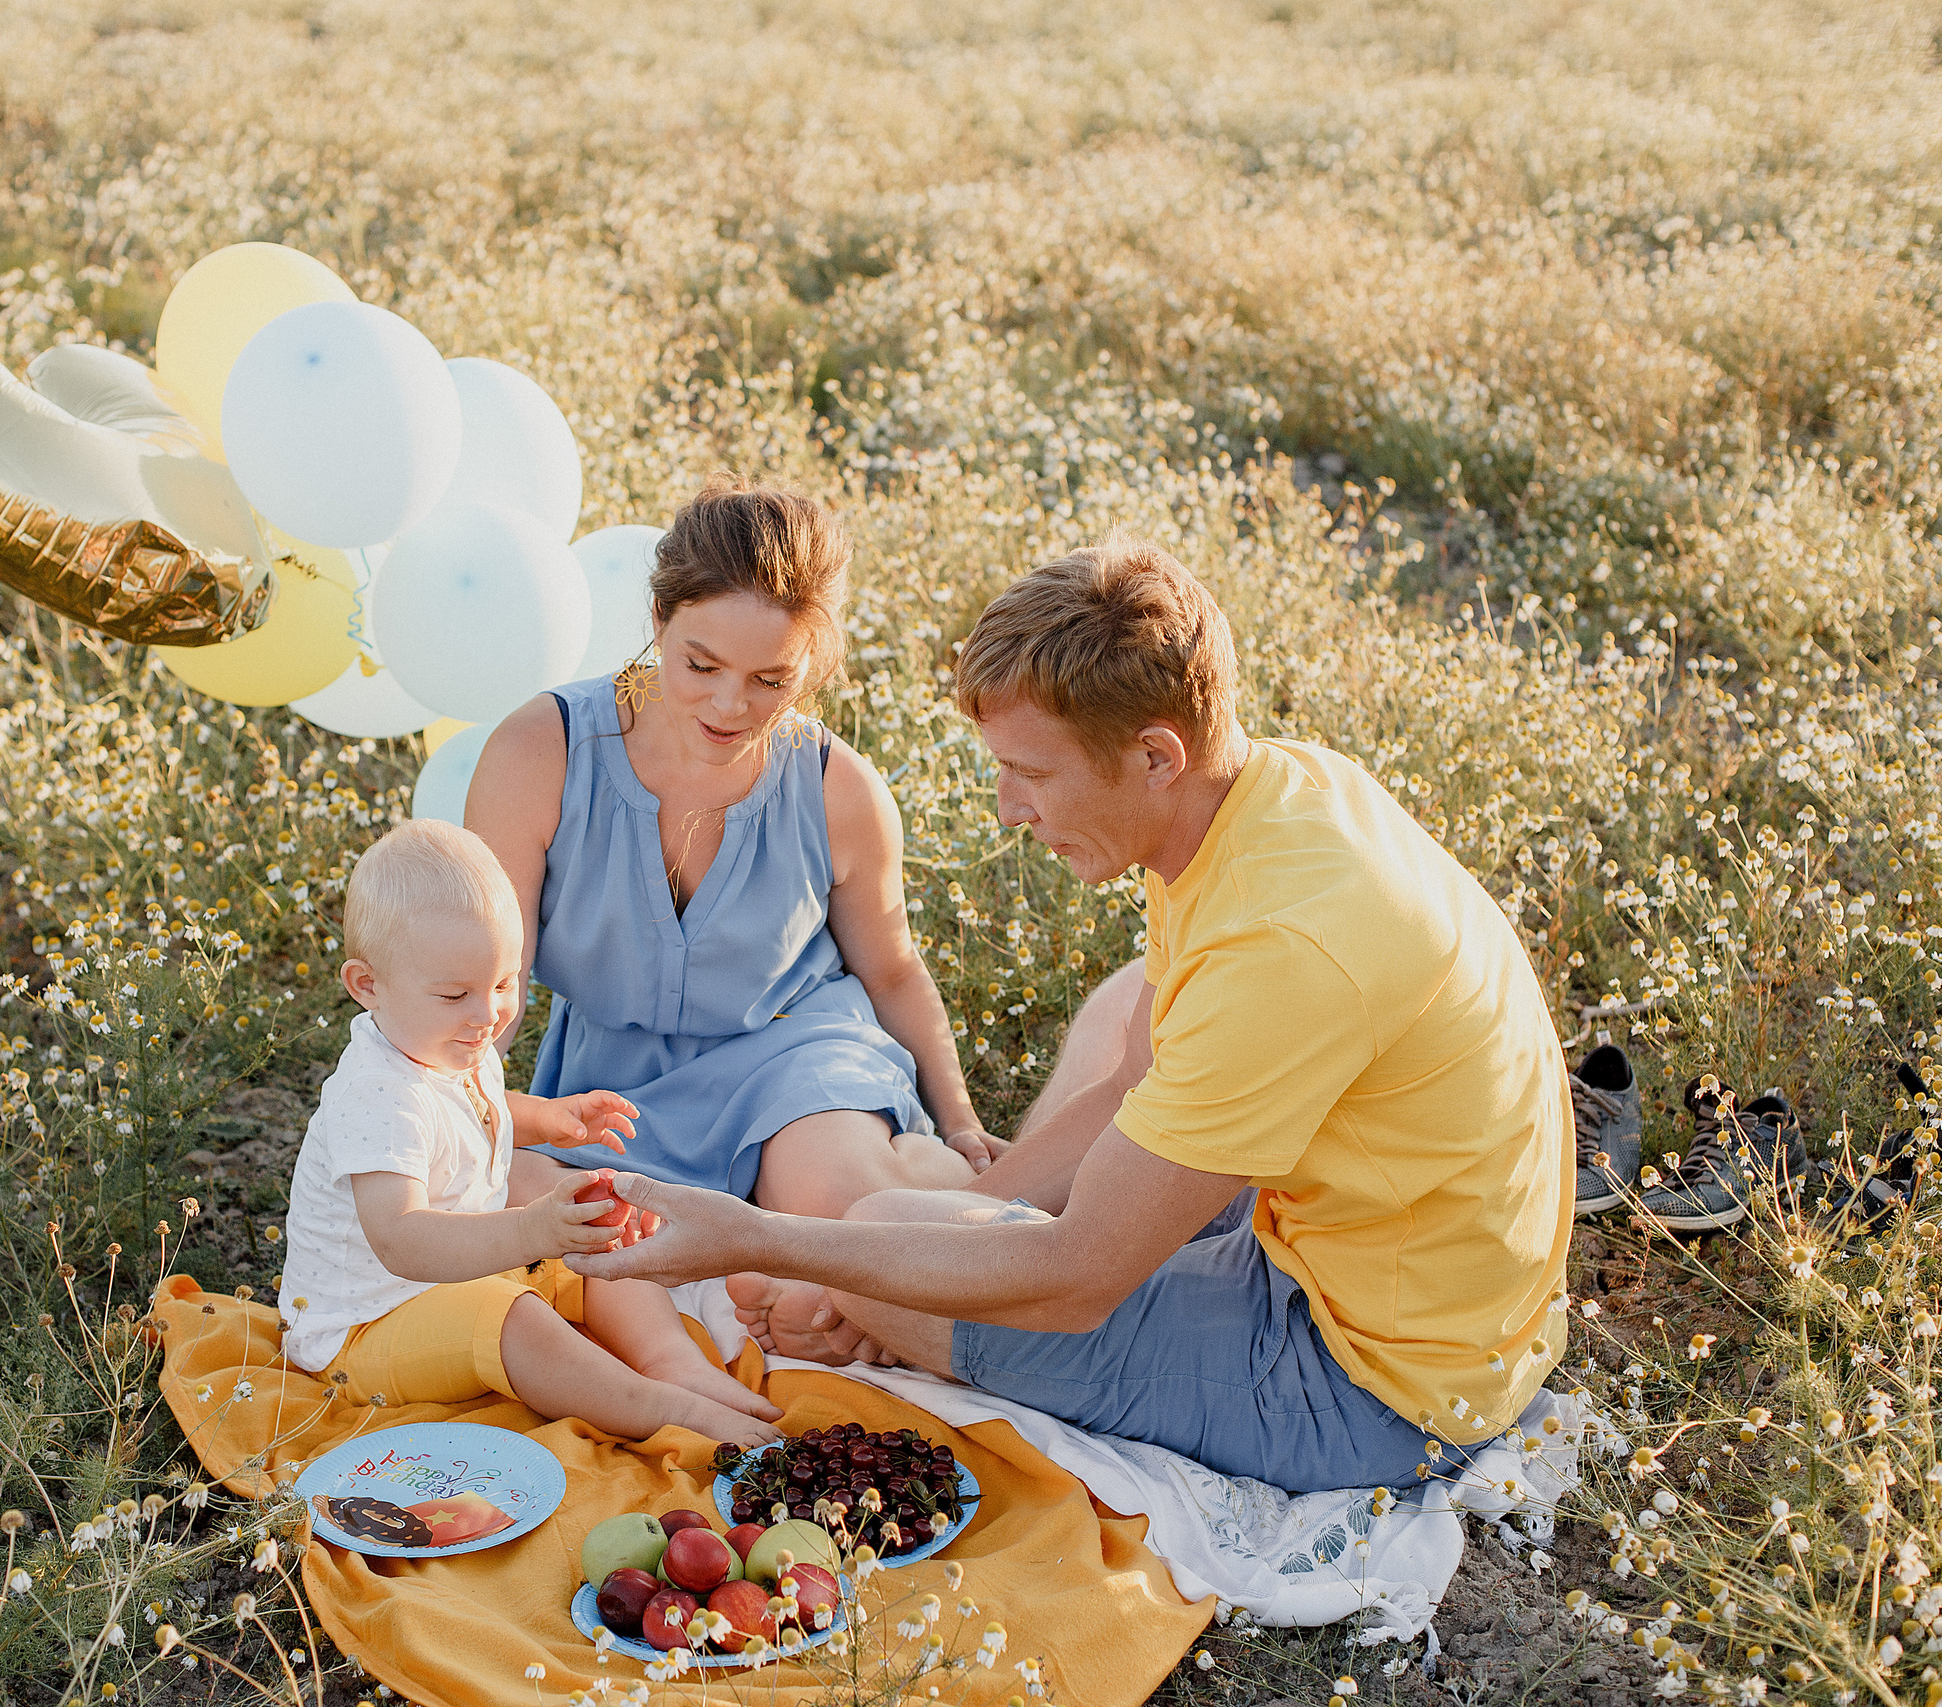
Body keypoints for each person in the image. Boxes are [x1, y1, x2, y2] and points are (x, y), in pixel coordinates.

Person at [568, 539, 1573, 1494]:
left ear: (1154, 757)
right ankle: (921, 1279)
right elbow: (1135, 1078)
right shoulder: (1267, 800)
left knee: (878, 1251)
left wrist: (774, 1244)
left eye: (1033, 774)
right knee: (1106, 1024)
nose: (1009, 808)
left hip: (1374, 1388)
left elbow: (1077, 1281)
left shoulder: (1282, 953)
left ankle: (903, 1302)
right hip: (1365, 1252)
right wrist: (962, 1229)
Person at [467, 477, 1001, 1220]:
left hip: (799, 1056)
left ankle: (918, 1177)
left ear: (810, 664)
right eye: (701, 665)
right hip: (617, 1094)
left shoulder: (838, 789)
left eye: (769, 679)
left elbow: (892, 969)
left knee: (838, 1205)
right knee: (557, 1217)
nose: (728, 706)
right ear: (658, 622)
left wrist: (962, 1121)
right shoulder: (540, 752)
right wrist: (453, 1111)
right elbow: (494, 979)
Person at [277, 819, 782, 1445]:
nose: (488, 1014)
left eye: (504, 983)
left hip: (462, 1272)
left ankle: (670, 1360)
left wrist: (550, 1117)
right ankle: (653, 1406)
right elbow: (401, 1240)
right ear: (367, 987)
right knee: (512, 1319)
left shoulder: (446, 1037)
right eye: (457, 993)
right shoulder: (376, 1095)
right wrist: (527, 1231)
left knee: (590, 1247)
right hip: (367, 1326)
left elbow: (472, 1105)